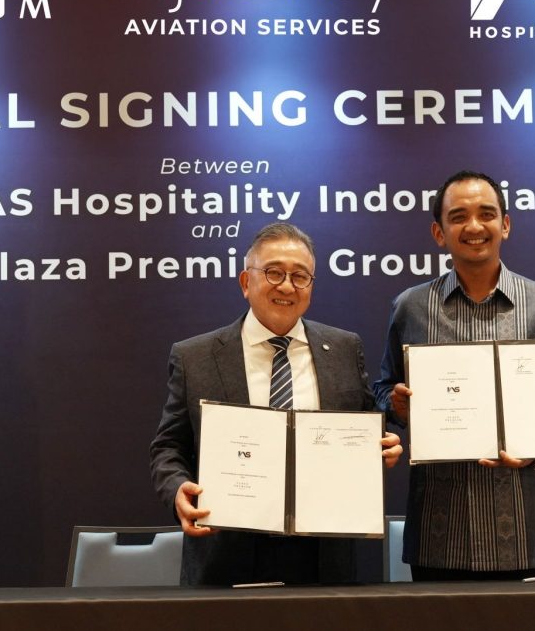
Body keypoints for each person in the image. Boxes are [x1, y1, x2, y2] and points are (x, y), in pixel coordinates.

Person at [374, 170, 535, 581]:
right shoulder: (411, 307)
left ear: (505, 224)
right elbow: (382, 390)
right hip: (441, 534)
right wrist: (396, 405)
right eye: (458, 216)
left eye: (486, 214)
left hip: (529, 533)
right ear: (439, 232)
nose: (474, 226)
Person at [150, 222, 402, 585]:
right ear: (245, 282)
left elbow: (364, 425)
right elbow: (168, 447)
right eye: (273, 272)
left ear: (311, 287)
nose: (287, 286)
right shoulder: (195, 357)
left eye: (300, 276)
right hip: (225, 554)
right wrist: (177, 489)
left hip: (323, 557)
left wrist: (380, 447)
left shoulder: (344, 349)